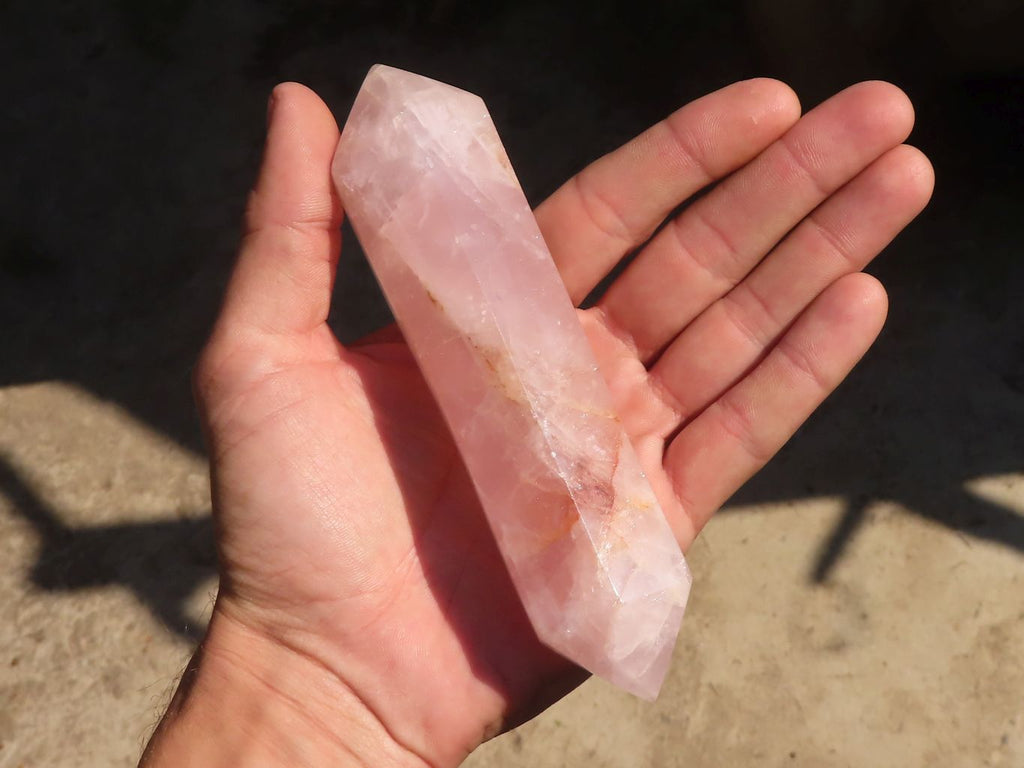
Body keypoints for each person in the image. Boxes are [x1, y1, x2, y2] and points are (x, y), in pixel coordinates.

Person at [139, 77, 932, 767]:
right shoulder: (408, 140)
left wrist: (314, 714)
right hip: (600, 608)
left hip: (610, 602)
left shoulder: (411, 129)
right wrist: (316, 690)